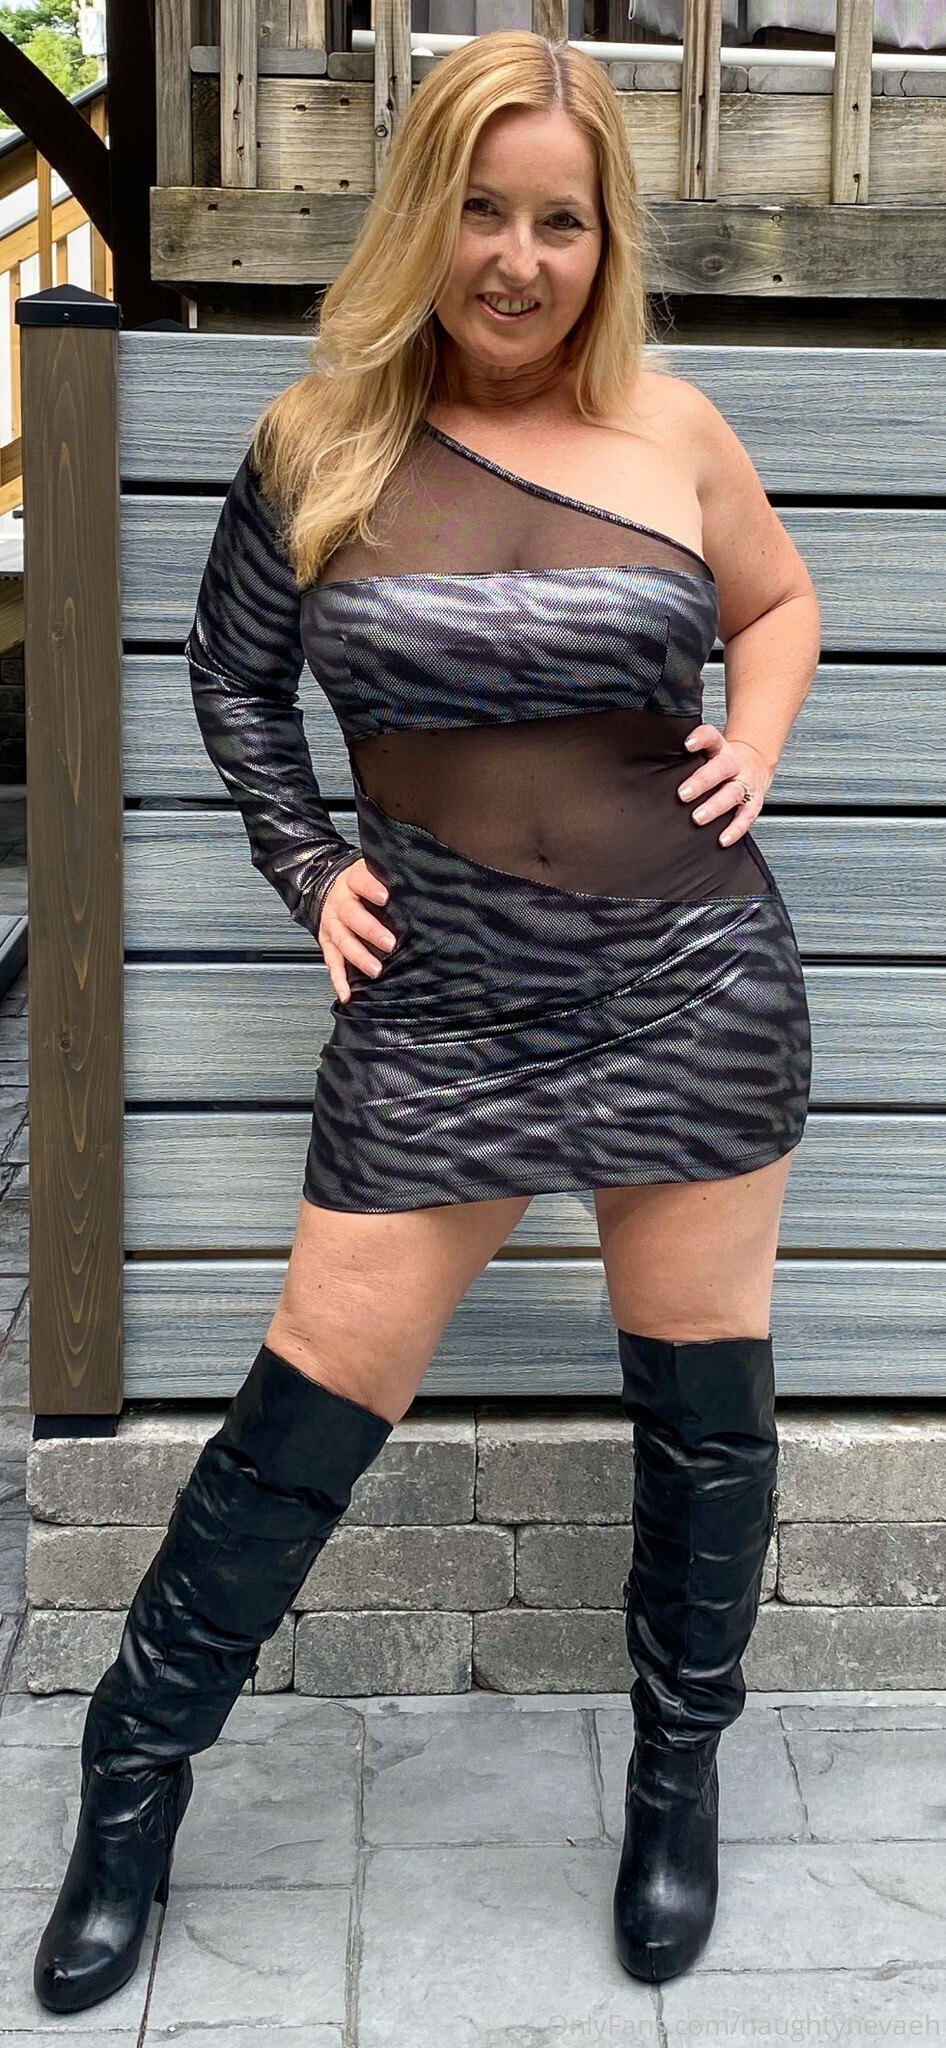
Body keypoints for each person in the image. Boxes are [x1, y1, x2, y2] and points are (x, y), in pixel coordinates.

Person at [33, 26, 818, 2014]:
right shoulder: (318, 438)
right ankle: (131, 1785)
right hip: (440, 1009)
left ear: (603, 241)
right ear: (421, 214)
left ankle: (672, 1786)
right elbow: (229, 678)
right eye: (481, 208)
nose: (516, 257)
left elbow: (775, 603)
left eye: (560, 220)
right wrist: (310, 865)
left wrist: (757, 746)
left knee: (702, 1428)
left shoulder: (673, 429)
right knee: (300, 1421)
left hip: (691, 983)